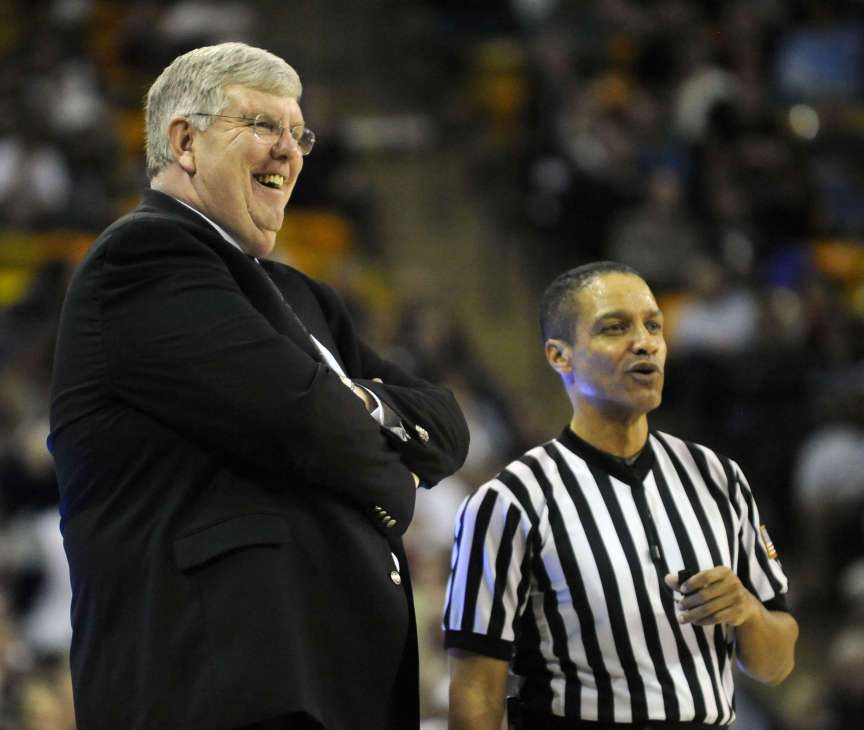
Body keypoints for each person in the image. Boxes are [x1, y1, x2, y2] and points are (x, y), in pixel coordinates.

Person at [48, 42, 469, 730]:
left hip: (326, 682)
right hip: (215, 683)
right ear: (184, 142)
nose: (289, 152)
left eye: (297, 133)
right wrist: (393, 477)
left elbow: (446, 424)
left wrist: (358, 405)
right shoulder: (145, 259)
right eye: (262, 126)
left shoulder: (306, 300)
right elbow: (304, 421)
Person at [443, 261, 797, 729]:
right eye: (615, 328)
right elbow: (474, 687)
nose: (644, 342)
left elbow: (777, 664)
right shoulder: (509, 501)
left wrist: (748, 612)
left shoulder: (718, 477)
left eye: (654, 325)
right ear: (559, 356)